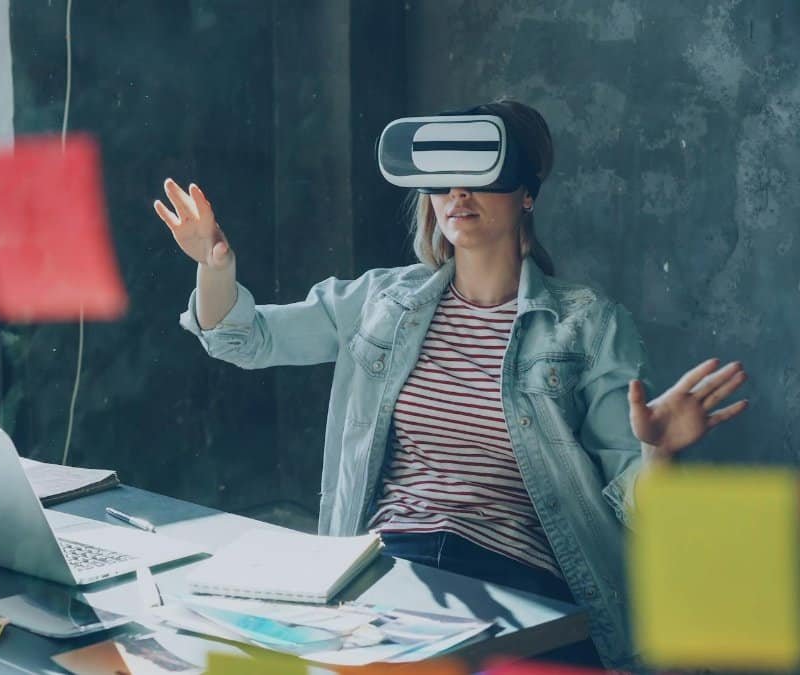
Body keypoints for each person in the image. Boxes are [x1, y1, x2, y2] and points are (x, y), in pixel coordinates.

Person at [153, 99, 749, 669]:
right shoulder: (382, 301)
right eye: (443, 178)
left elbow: (635, 509)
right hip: (387, 567)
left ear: (527, 193)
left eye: (481, 174)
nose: (458, 194)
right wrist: (213, 265)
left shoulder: (588, 325)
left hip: (517, 580)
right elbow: (245, 338)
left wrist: (658, 452)